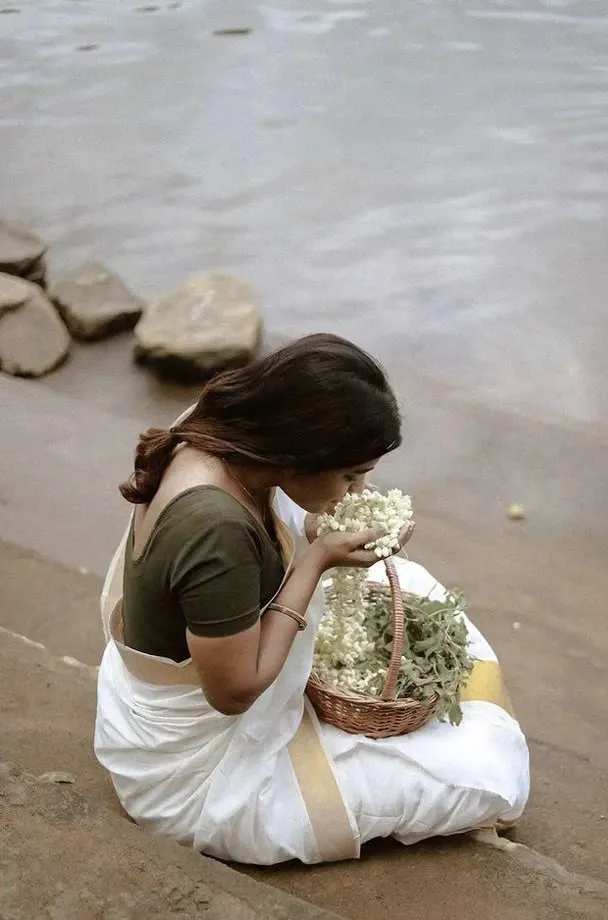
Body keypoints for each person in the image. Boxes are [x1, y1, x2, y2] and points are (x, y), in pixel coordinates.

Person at [95, 333, 529, 865]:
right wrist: (316, 559)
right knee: (492, 774)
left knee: (416, 586)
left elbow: (258, 544)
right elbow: (234, 694)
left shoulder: (222, 426)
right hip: (199, 777)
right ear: (298, 454)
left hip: (185, 675)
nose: (355, 491)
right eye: (348, 474)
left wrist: (325, 528)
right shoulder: (214, 529)